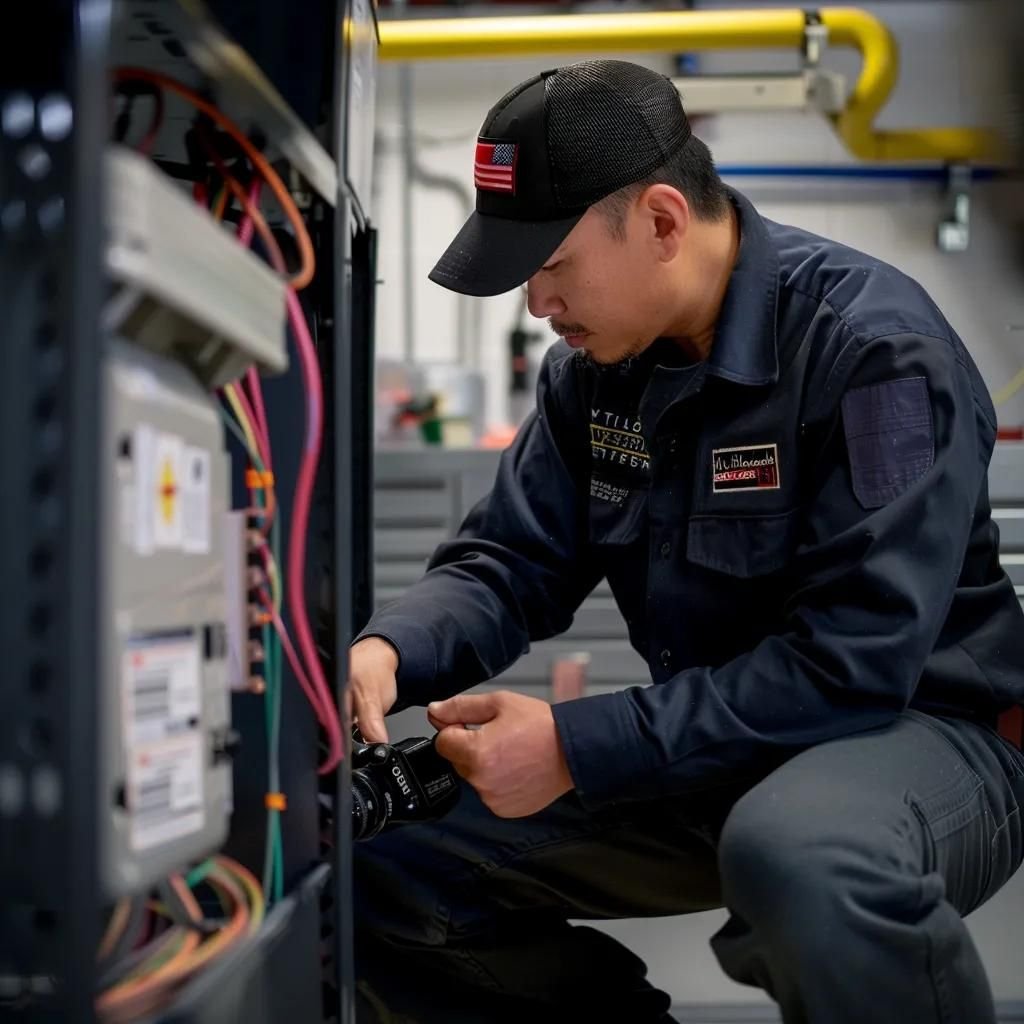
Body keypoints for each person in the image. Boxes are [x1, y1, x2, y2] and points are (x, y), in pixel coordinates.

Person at [350, 59, 1024, 1024]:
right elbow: (509, 561)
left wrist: (578, 748)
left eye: (550, 265)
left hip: (922, 735)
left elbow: (854, 664)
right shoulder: (593, 378)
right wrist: (388, 650)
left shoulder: (872, 351)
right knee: (381, 861)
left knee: (801, 854)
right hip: (719, 744)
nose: (537, 305)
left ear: (663, 221)